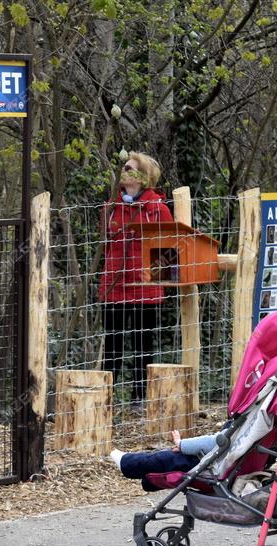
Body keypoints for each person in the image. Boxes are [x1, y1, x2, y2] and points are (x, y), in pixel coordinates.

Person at [99, 151, 173, 405]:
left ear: (142, 177)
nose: (124, 171)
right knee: (112, 345)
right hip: (115, 287)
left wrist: (152, 276)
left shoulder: (157, 210)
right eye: (124, 166)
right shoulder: (111, 208)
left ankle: (139, 398)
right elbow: (105, 247)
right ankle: (104, 398)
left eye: (130, 168)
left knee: (143, 345)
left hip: (145, 290)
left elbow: (167, 250)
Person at [111, 428, 221, 488]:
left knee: (169, 459)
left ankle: (126, 463)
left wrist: (182, 444)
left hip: (211, 468)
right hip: (223, 467)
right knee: (167, 461)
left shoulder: (237, 428)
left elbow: (215, 441)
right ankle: (146, 480)